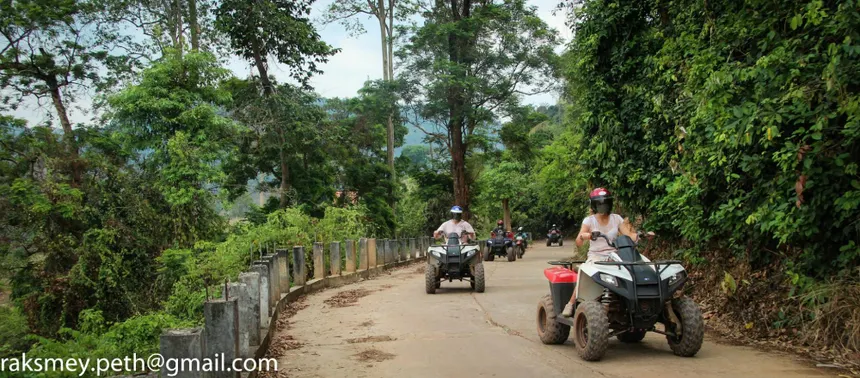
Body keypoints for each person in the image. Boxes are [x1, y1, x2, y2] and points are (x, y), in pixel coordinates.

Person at [561, 187, 638, 317]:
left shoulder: (616, 218)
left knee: (631, 271)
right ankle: (570, 303)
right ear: (594, 205)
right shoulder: (589, 220)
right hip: (596, 256)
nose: (603, 206)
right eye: (599, 204)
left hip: (615, 255)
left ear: (610, 204)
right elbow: (578, 241)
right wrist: (585, 236)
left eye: (605, 203)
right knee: (585, 273)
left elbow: (628, 235)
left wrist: (641, 235)